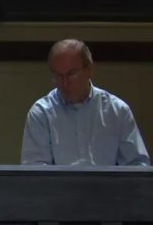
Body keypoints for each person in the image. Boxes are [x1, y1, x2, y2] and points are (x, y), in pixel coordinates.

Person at [21, 39, 149, 166]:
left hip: (106, 181)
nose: (65, 83)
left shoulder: (117, 111)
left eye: (71, 74)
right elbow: (35, 169)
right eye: (58, 76)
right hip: (60, 181)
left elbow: (137, 165)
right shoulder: (41, 113)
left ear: (89, 70)